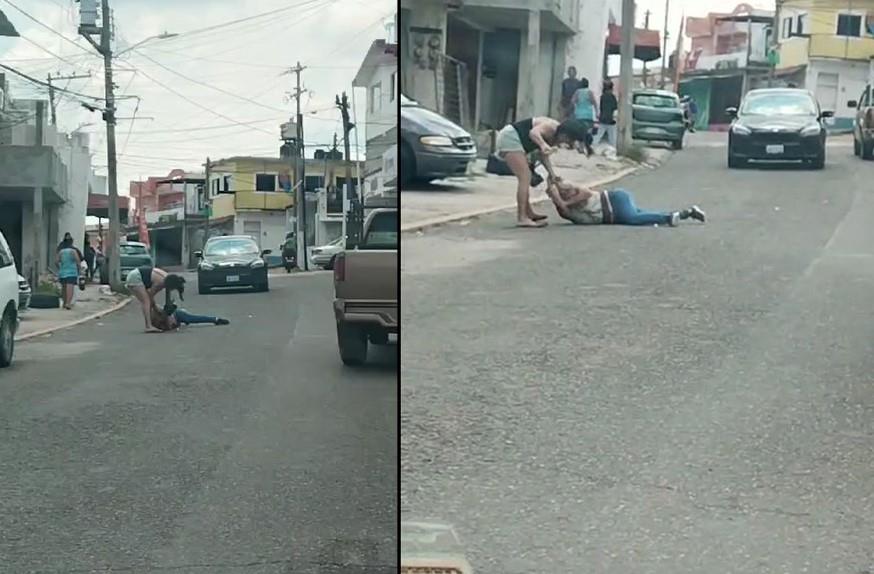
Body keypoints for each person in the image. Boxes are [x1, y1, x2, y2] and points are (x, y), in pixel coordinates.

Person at [494, 117, 592, 228]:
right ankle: (522, 218)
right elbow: (533, 133)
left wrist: (552, 174)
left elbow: (543, 155)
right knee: (525, 177)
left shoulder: (556, 138)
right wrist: (542, 144)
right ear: (564, 132)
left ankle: (528, 212)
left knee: (526, 177)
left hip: (519, 142)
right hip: (510, 138)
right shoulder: (550, 126)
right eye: (567, 139)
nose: (565, 142)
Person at [545, 176, 706, 227]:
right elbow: (565, 212)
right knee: (644, 216)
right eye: (562, 193)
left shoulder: (577, 194)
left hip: (614, 200)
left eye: (566, 191)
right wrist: (557, 199)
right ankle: (686, 213)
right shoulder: (565, 210)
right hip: (615, 214)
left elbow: (586, 193)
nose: (567, 193)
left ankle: (669, 219)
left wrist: (562, 198)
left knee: (633, 219)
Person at [124, 265, 186, 332]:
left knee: (148, 302)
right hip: (136, 278)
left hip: (137, 275)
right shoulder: (161, 283)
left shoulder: (168, 278)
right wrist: (156, 309)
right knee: (146, 301)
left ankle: (151, 323)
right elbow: (150, 295)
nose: (173, 289)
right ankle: (148, 326)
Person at [149, 299, 230, 332]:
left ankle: (215, 319)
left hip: (176, 315)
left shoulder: (161, 312)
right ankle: (215, 319)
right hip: (171, 317)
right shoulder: (155, 317)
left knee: (191, 318)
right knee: (187, 319)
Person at [572, 77, 598, 156]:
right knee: (587, 131)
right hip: (588, 115)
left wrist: (576, 107)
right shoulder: (590, 92)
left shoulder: (577, 92)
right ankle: (587, 146)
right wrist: (597, 112)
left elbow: (573, 101)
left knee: (580, 131)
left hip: (579, 115)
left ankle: (580, 147)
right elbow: (594, 103)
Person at [56, 235, 81, 310]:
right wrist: (79, 269)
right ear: (71, 242)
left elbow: (56, 262)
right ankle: (68, 303)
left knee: (63, 288)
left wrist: (60, 268)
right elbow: (77, 261)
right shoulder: (73, 251)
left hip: (63, 272)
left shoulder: (61, 252)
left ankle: (64, 302)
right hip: (72, 272)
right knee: (70, 287)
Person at [593, 80, 618, 148]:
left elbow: (601, 107)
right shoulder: (612, 97)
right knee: (612, 137)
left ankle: (592, 146)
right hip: (610, 119)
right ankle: (612, 149)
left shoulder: (602, 97)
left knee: (598, 135)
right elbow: (615, 107)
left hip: (603, 119)